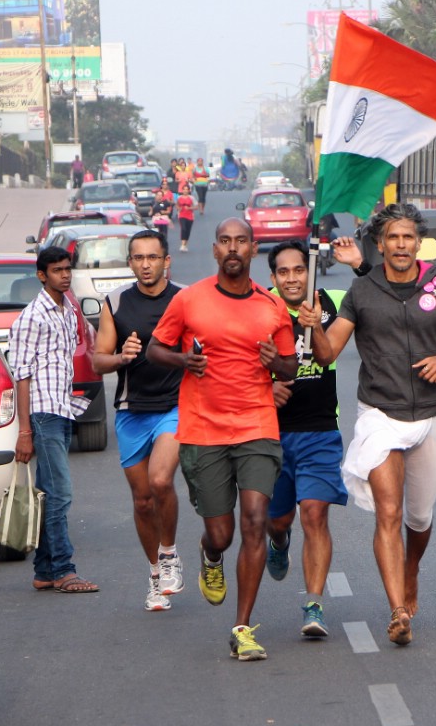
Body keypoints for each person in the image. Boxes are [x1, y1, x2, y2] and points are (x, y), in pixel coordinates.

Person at [300, 203, 436, 646]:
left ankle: (411, 568)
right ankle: (398, 610)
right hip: (380, 413)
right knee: (389, 512)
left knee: (418, 518)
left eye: (408, 237)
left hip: (432, 416)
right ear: (379, 245)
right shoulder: (361, 293)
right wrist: (314, 328)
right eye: (392, 238)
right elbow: (326, 355)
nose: (401, 245)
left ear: (418, 242)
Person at [146, 217, 298, 661]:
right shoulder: (189, 300)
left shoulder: (272, 307)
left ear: (253, 250)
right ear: (215, 250)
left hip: (257, 425)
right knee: (222, 533)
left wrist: (276, 362)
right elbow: (156, 348)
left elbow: (291, 368)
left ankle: (242, 628)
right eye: (226, 241)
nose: (234, 248)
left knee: (254, 521)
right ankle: (209, 555)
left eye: (242, 242)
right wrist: (182, 361)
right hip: (203, 429)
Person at [92, 229, 185, 611]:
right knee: (143, 499)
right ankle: (153, 574)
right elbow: (99, 360)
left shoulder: (184, 299)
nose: (145, 264)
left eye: (152, 257)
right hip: (132, 410)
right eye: (138, 258)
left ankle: (170, 553)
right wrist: (122, 357)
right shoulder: (115, 302)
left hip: (176, 405)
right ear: (130, 262)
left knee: (161, 480)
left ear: (167, 261)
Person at [265, 240, 349, 639]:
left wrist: (314, 322)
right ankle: (278, 541)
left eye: (299, 270)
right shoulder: (260, 308)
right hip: (269, 433)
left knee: (314, 513)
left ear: (308, 271)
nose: (293, 278)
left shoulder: (330, 300)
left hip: (319, 431)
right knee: (278, 520)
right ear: (273, 278)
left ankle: (313, 606)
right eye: (284, 272)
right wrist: (267, 392)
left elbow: (374, 291)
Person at [8, 246, 98, 594]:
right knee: (60, 493)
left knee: (48, 493)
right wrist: (25, 430)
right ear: (41, 275)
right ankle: (64, 569)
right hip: (43, 414)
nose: (65, 274)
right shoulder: (34, 316)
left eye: (67, 269)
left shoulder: (64, 310)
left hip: (61, 410)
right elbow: (23, 376)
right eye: (57, 270)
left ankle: (45, 570)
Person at [176, 186, 195, 252]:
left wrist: (189, 208)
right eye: (184, 189)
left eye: (187, 189)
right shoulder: (179, 198)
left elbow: (196, 206)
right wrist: (179, 208)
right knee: (183, 228)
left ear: (189, 190)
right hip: (181, 215)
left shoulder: (191, 198)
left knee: (187, 230)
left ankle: (185, 244)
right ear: (182, 190)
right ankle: (182, 244)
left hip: (190, 216)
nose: (185, 191)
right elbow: (177, 205)